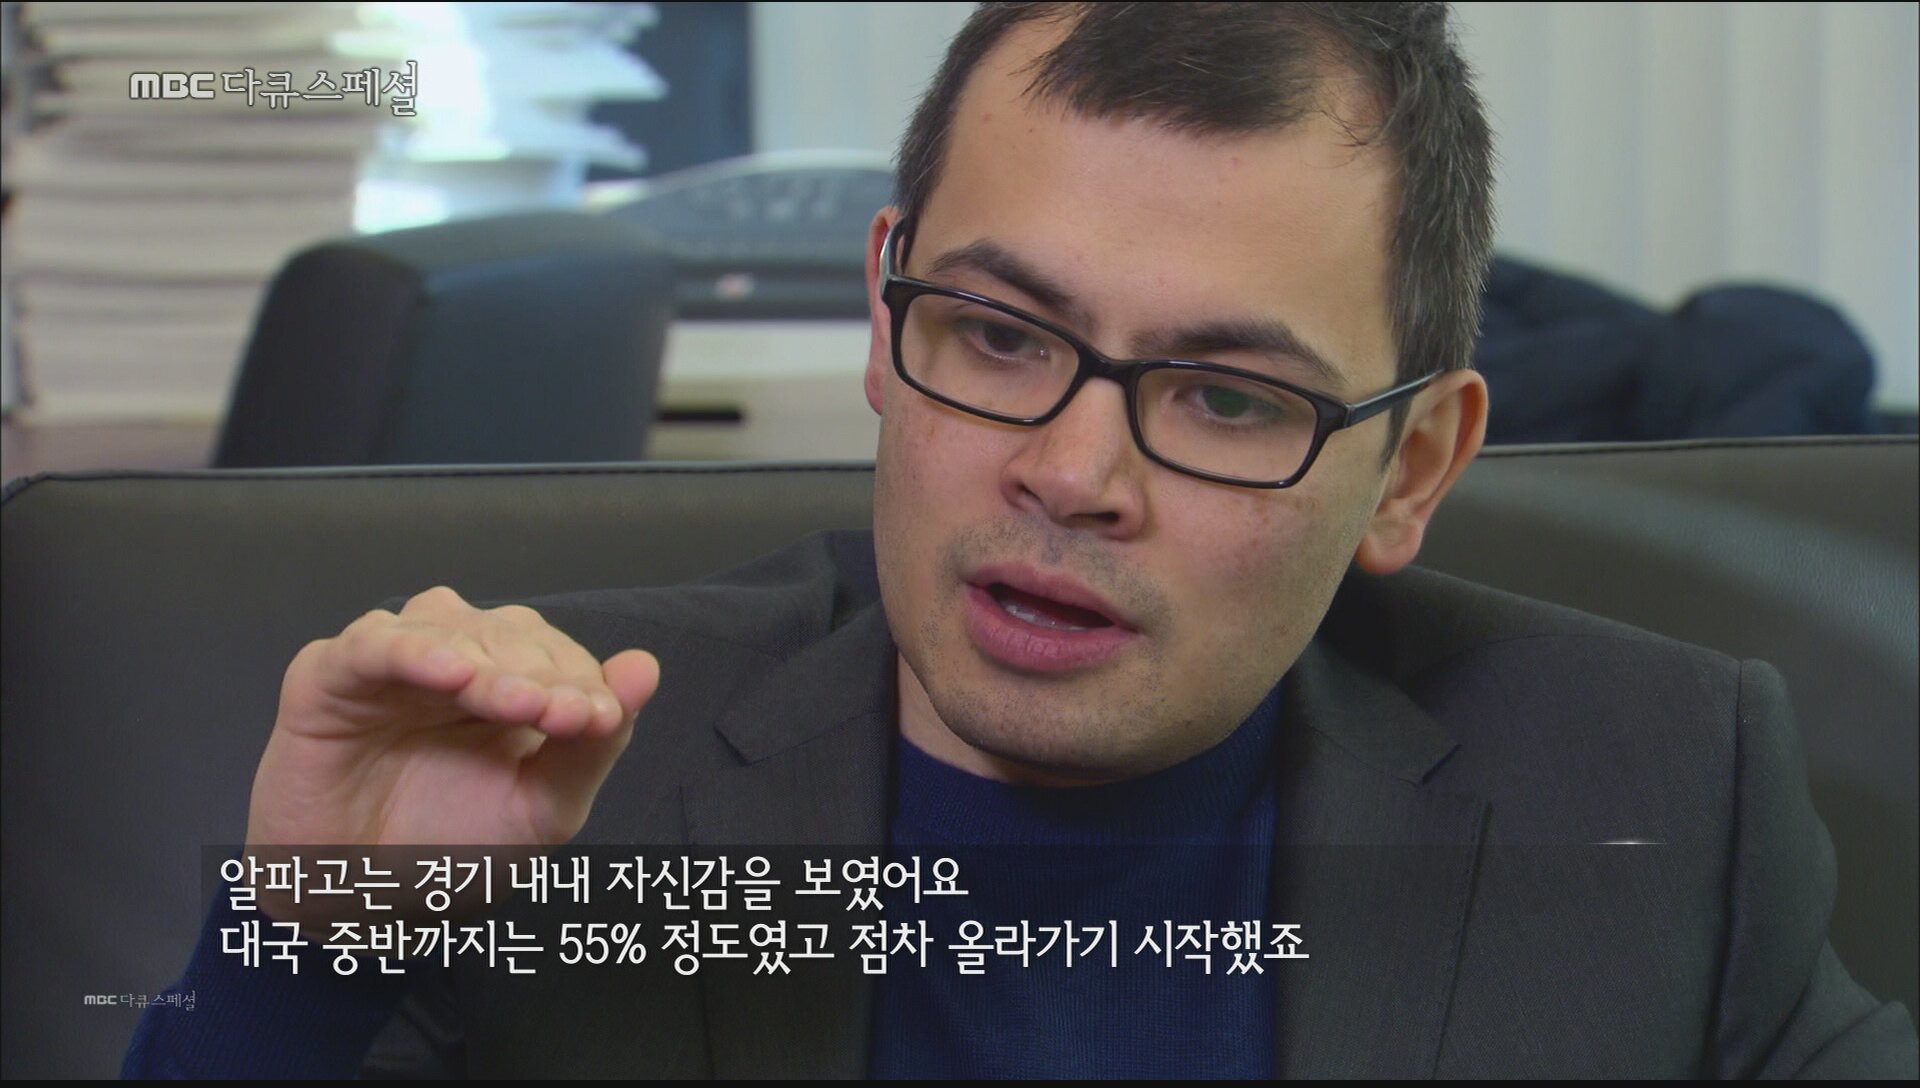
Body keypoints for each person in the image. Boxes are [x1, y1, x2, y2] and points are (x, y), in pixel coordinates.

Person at [127, 2, 1917, 1078]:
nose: (1071, 473)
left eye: (1227, 396)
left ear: (1411, 470)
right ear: (885, 311)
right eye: (997, 336)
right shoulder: (553, 777)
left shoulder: (1655, 792)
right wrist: (312, 949)